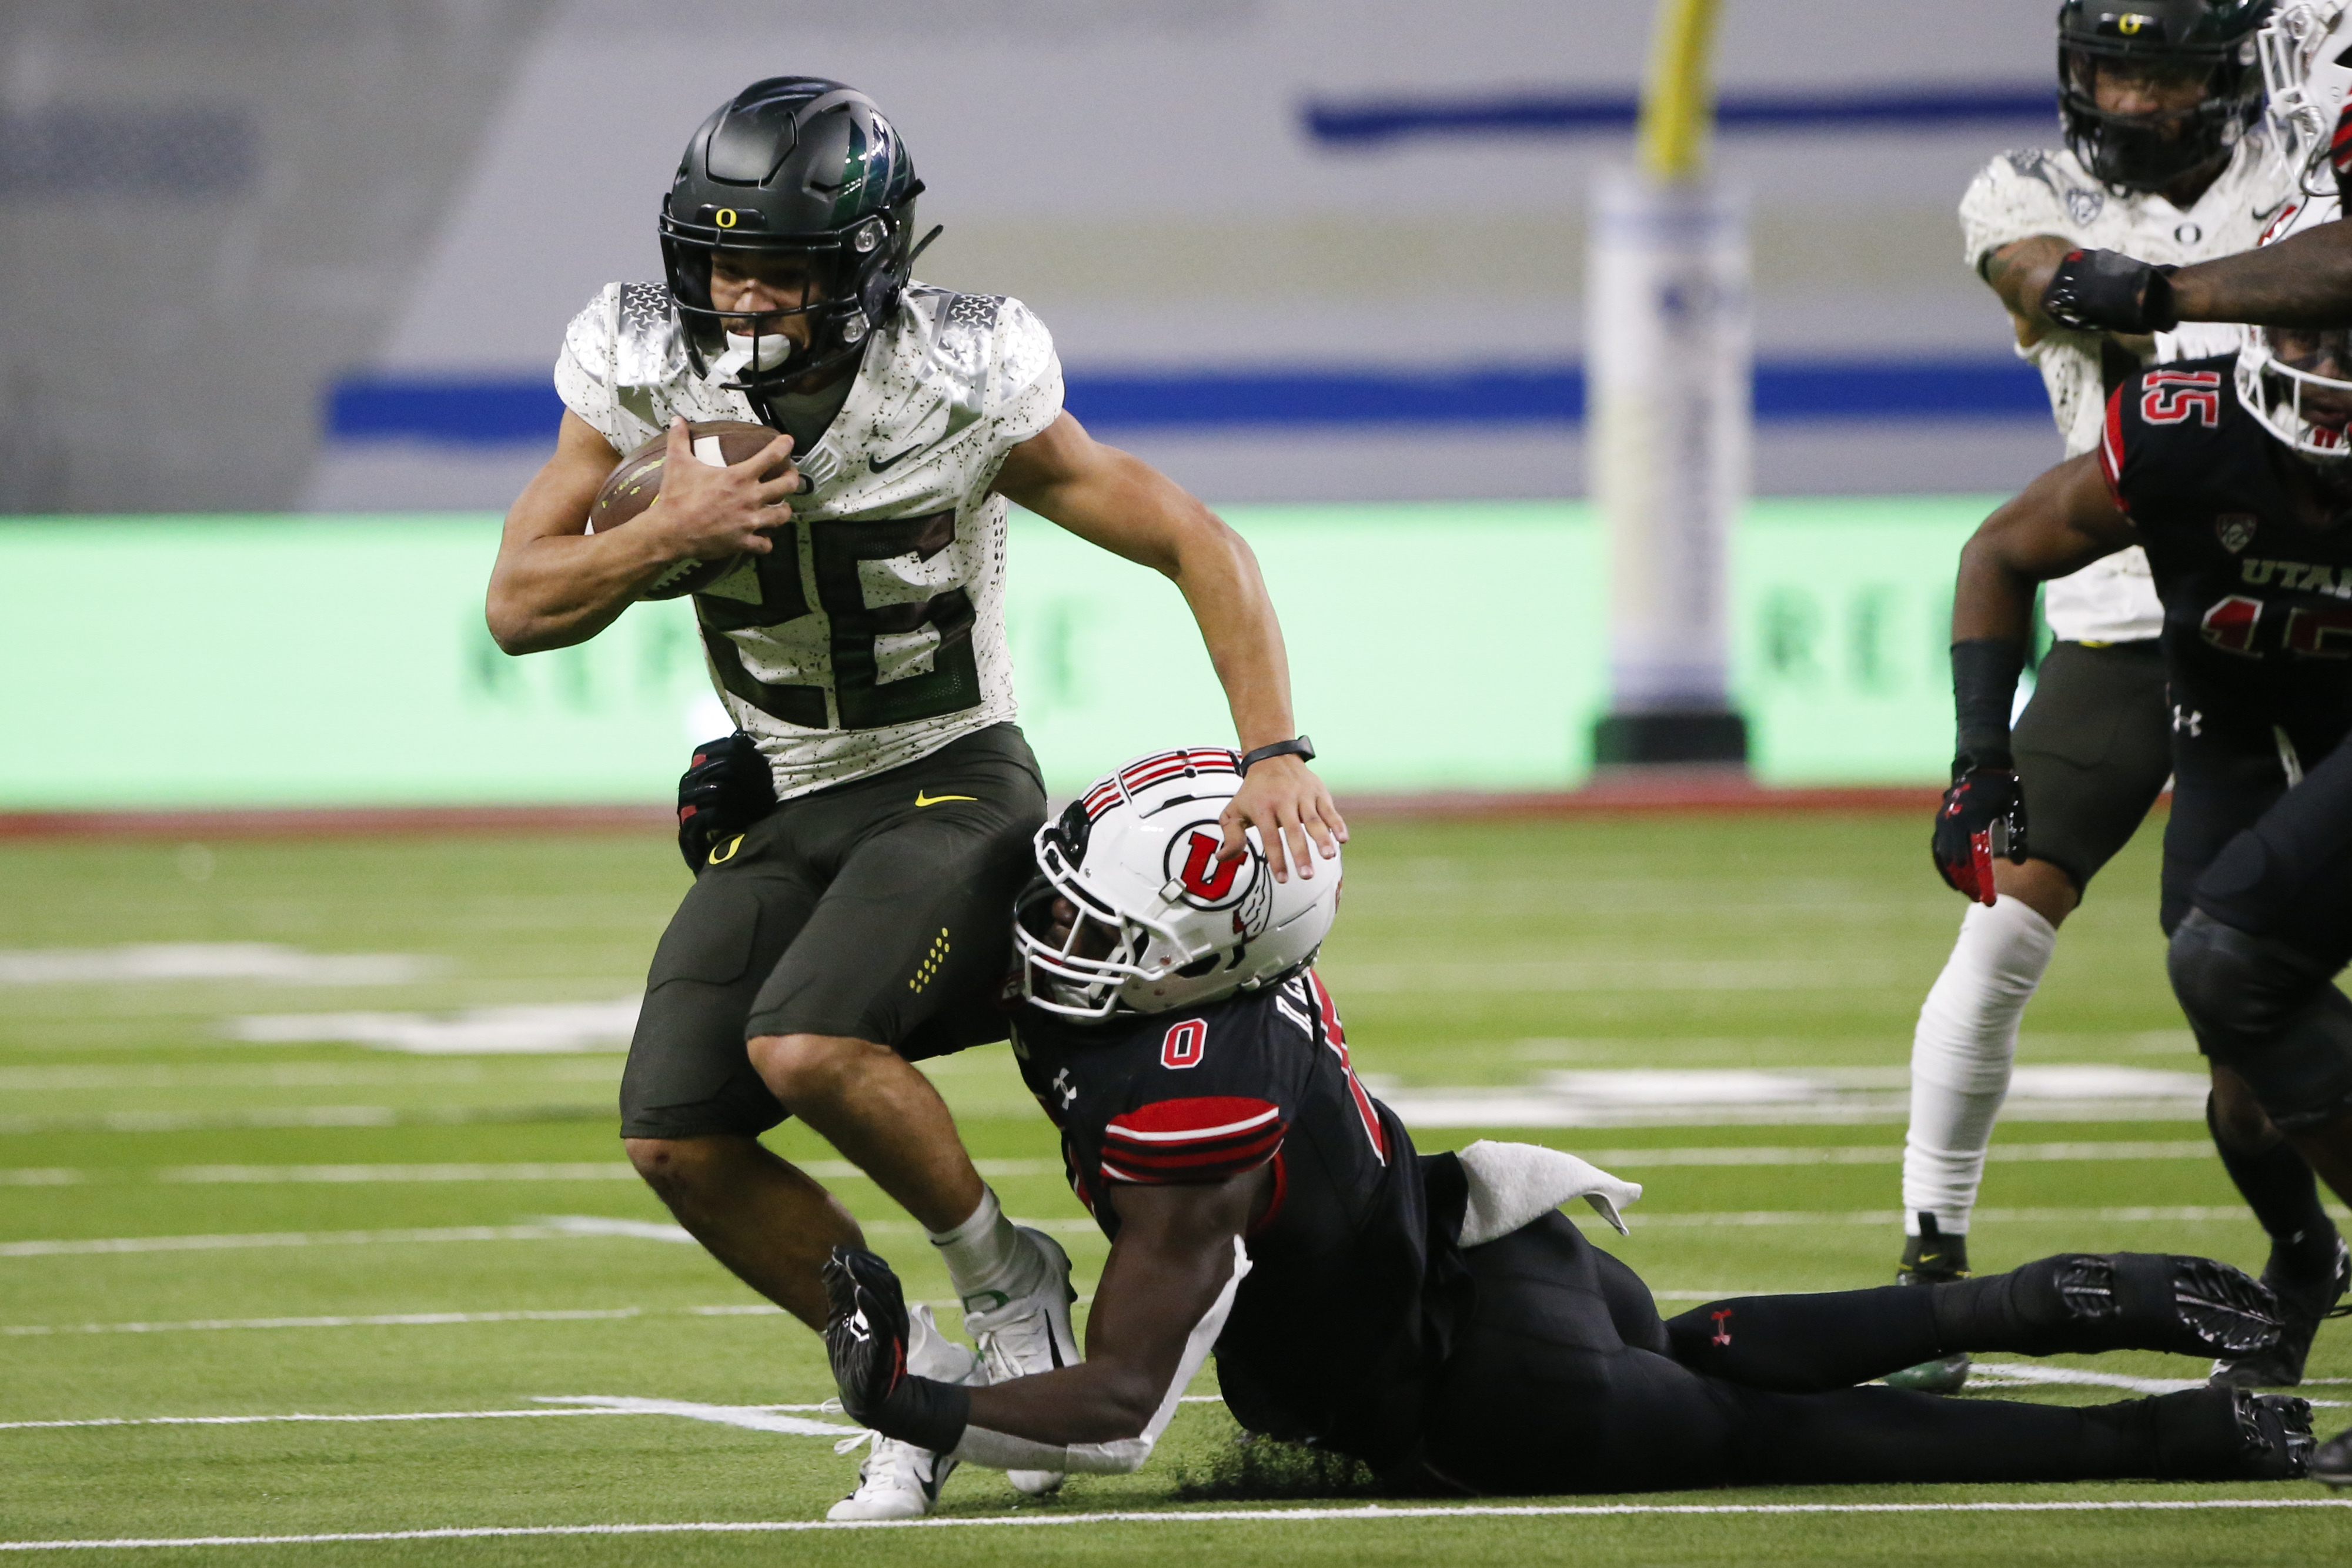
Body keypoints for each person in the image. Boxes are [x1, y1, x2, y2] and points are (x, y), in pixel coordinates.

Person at [482, 78, 1344, 1520]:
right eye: (717, 256)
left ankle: (1009, 1281)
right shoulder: (636, 361)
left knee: (807, 1042)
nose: (740, 291)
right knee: (673, 1133)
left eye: (781, 264)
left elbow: (1194, 537)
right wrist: (663, 534)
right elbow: (516, 603)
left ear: (868, 265)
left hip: (950, 769)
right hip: (791, 791)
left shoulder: (958, 376)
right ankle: (904, 1376)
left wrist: (1272, 748)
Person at [814, 748, 2314, 1497]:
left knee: (1802, 1440)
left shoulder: (1187, 1098)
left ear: (1195, 957)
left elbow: (1122, 1411)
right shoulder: (1224, 972)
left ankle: (2168, 1428)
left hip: (1485, 1388)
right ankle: (2046, 1296)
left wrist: (914, 1401)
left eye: (1092, 916)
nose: (1051, 933)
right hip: (1509, 1249)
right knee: (1693, 1353)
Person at [1899, 0, 2306, 1395]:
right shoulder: (2024, 189)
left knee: (2246, 1009)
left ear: (2233, 72)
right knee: (1999, 923)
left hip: (2314, 599)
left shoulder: (2302, 172)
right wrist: (2196, 294)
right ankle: (1928, 1261)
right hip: (2122, 607)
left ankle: (2295, 1248)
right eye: (2114, 65)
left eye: (2169, 67)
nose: (2135, 97)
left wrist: (2169, 295)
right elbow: (2041, 277)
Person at [1931, 315, 2352, 1487]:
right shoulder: (2185, 428)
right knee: (2245, 1078)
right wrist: (1981, 765)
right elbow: (2000, 550)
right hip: (2229, 725)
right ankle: (2300, 1254)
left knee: (2232, 967)